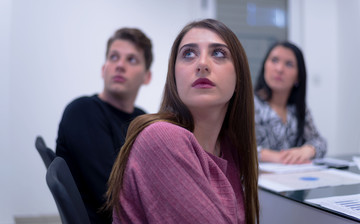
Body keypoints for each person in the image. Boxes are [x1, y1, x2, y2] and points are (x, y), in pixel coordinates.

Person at [106, 19, 259, 224]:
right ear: (174, 77)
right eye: (188, 54)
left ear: (239, 77)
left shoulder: (229, 147)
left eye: (218, 53)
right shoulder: (162, 138)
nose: (202, 64)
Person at [56, 27, 152, 223]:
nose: (120, 65)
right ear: (104, 68)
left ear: (146, 77)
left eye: (131, 60)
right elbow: (112, 195)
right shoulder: (83, 111)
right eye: (114, 57)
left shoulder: (141, 119)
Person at [254, 41, 327, 164]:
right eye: (274, 60)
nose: (279, 69)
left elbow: (320, 142)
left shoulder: (298, 108)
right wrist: (277, 157)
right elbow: (235, 148)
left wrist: (308, 150)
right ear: (264, 66)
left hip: (293, 178)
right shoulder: (248, 104)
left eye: (289, 64)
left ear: (298, 76)